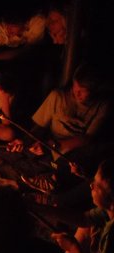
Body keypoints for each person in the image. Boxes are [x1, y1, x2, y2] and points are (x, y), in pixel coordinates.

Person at [8, 64, 110, 195]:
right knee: (20, 154)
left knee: (84, 158)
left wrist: (54, 144)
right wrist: (24, 140)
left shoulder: (102, 105)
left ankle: (52, 180)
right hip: (51, 144)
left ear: (95, 90)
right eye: (75, 87)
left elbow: (87, 139)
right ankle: (49, 175)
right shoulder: (58, 96)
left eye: (83, 91)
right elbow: (38, 126)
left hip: (75, 150)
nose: (76, 93)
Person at [32, 158, 114, 253]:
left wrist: (73, 248)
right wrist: (37, 207)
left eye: (96, 185)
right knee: (88, 226)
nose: (90, 185)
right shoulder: (107, 210)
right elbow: (83, 219)